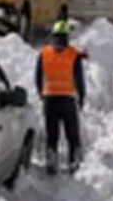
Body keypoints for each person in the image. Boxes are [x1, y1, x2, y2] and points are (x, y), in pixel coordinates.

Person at [35, 20, 86, 174]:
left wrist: (40, 93)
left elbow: (38, 76)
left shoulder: (44, 54)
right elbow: (79, 79)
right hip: (67, 99)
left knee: (52, 134)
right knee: (72, 133)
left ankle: (51, 163)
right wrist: (82, 96)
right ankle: (74, 162)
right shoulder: (73, 55)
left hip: (50, 99)